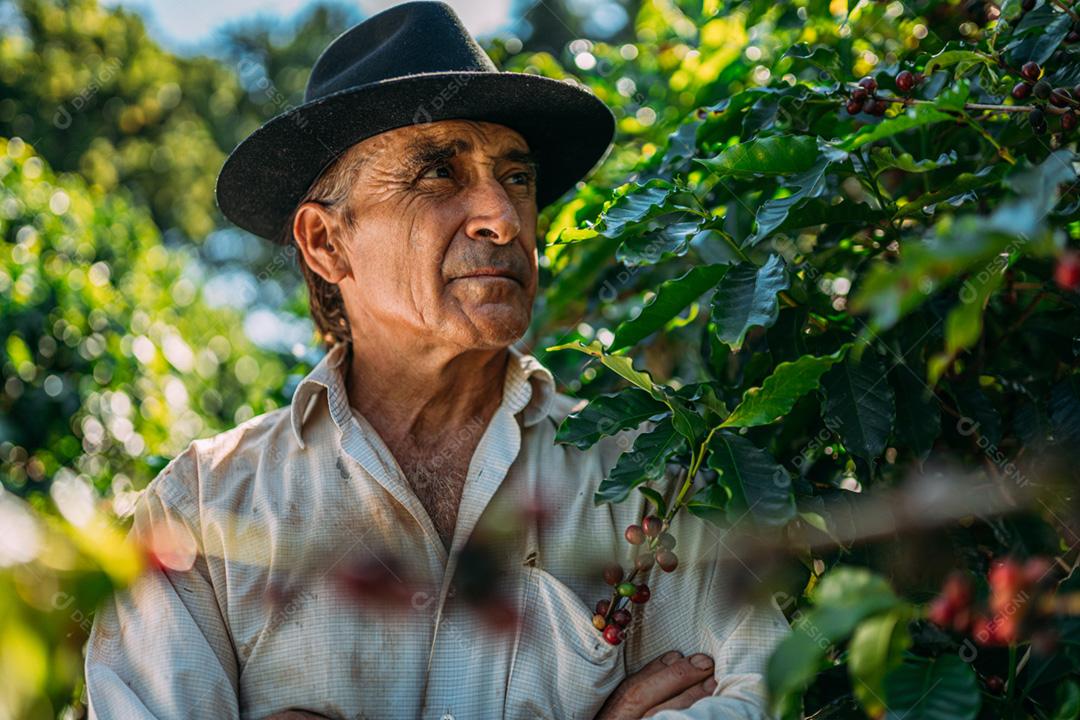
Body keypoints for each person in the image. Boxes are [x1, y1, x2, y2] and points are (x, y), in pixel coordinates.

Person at [85, 2, 789, 718]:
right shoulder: (199, 516)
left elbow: (763, 691)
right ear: (327, 243)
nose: (505, 218)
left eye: (517, 178)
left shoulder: (638, 481)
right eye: (437, 175)